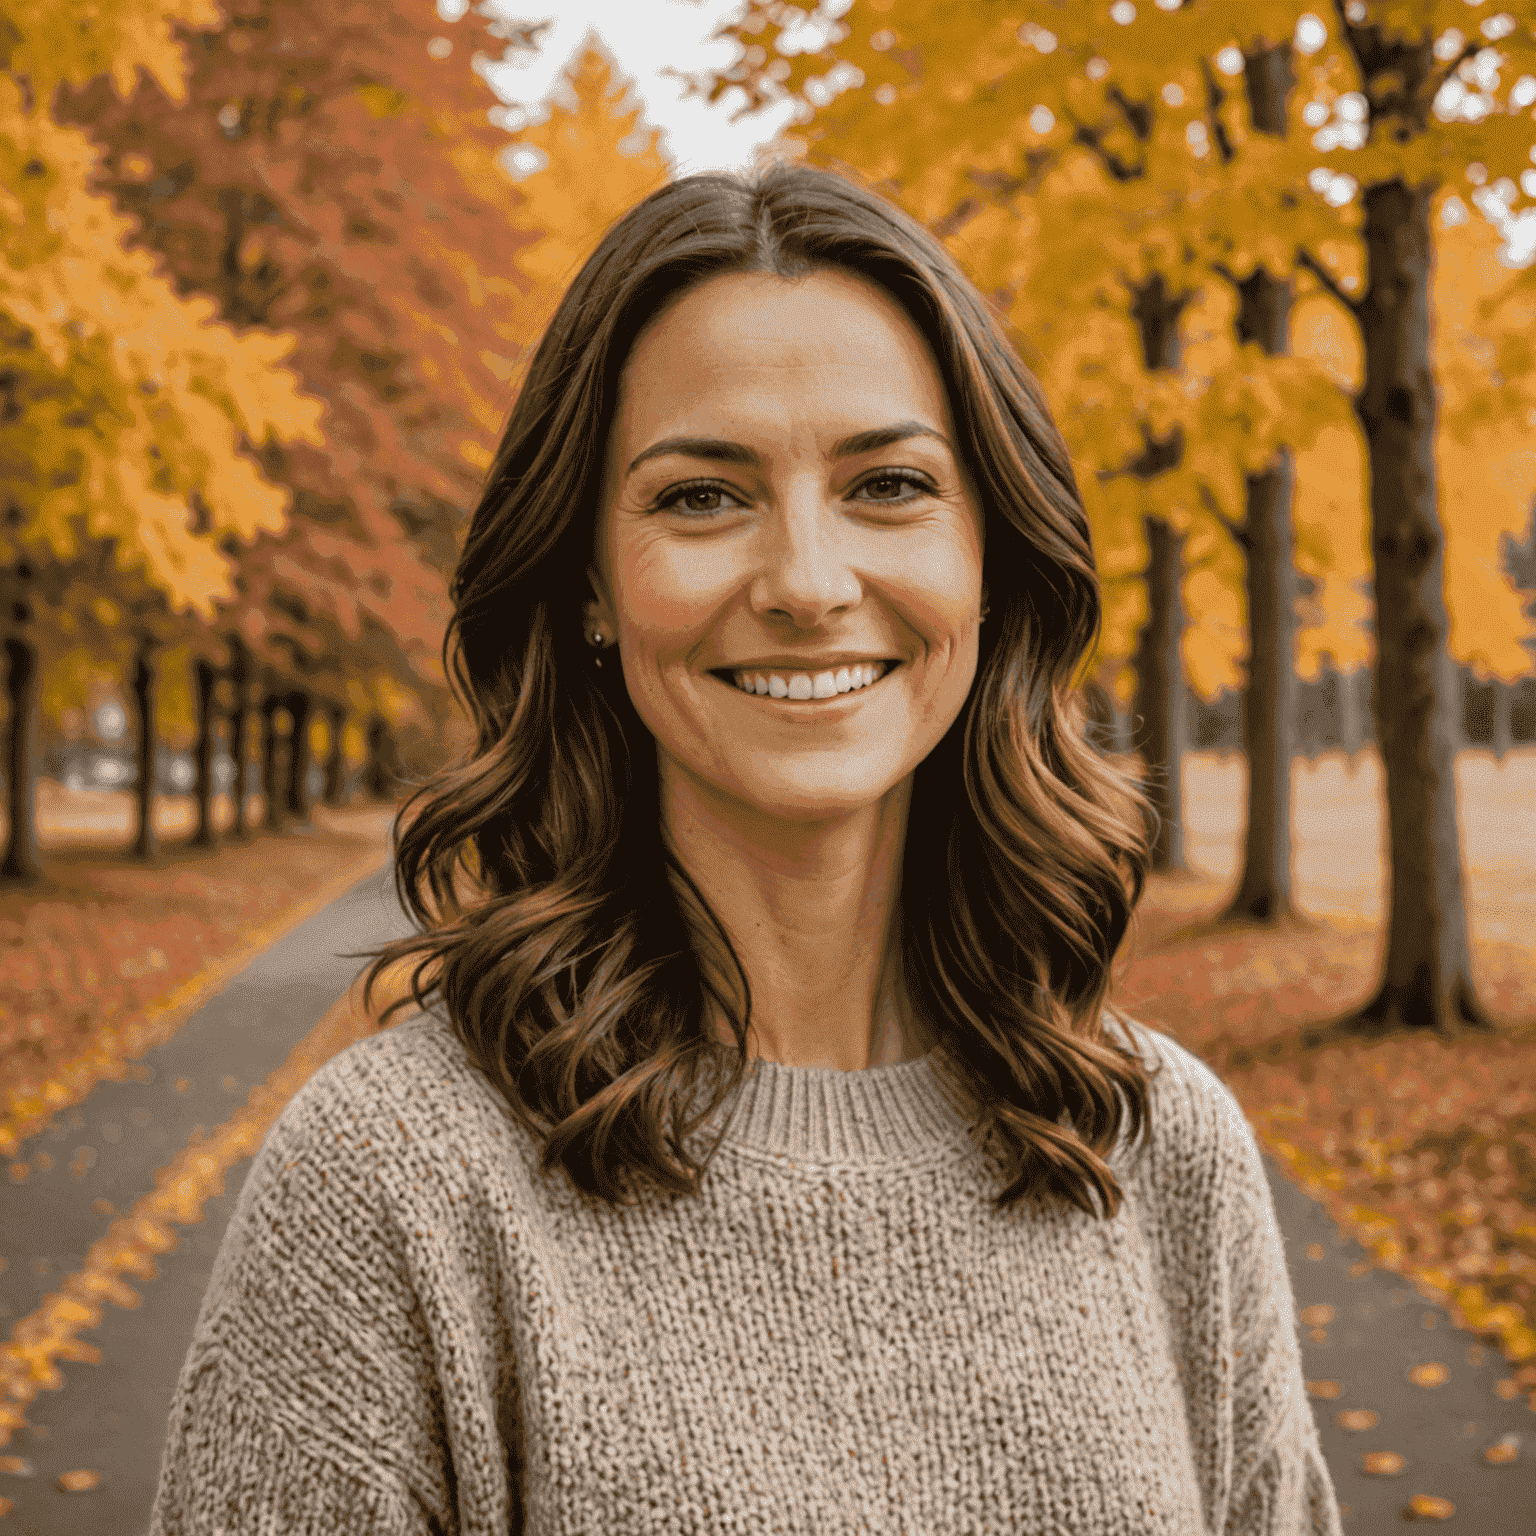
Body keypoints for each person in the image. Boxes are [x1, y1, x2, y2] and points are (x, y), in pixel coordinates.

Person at [149, 163, 1343, 1535]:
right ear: (591, 581)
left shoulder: (1162, 1147)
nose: (807, 582)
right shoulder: (392, 1186)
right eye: (703, 498)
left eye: (889, 484)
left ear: (989, 557)